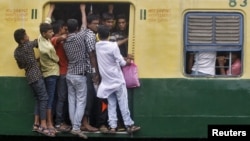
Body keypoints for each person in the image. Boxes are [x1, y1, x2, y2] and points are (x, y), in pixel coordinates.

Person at [95, 25, 140, 134]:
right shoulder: (113, 47)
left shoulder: (97, 45)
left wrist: (124, 41)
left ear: (99, 36)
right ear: (109, 35)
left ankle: (113, 127)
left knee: (111, 104)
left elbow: (112, 47)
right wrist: (128, 61)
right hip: (117, 80)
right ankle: (129, 125)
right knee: (123, 103)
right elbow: (122, 63)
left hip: (106, 82)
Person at [13, 28, 55, 137]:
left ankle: (36, 124)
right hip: (36, 75)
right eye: (26, 35)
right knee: (44, 98)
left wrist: (33, 61)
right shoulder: (27, 45)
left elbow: (21, 66)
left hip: (29, 77)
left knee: (38, 98)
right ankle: (43, 125)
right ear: (22, 40)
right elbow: (38, 41)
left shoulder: (16, 52)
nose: (28, 36)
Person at [63, 3, 88, 139]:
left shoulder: (65, 40)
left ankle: (74, 126)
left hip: (69, 74)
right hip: (79, 75)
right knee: (81, 101)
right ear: (76, 28)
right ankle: (77, 128)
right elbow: (85, 25)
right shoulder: (79, 37)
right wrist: (83, 10)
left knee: (71, 101)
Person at [38, 4, 59, 134]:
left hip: (45, 73)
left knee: (46, 98)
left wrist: (51, 9)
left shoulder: (40, 37)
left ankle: (46, 122)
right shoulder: (48, 47)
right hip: (52, 73)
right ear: (45, 33)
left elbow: (46, 20)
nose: (53, 33)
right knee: (50, 99)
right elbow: (56, 59)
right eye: (50, 32)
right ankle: (49, 123)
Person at [80, 14, 100, 132]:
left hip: (83, 70)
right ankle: (85, 123)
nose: (97, 26)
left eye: (98, 23)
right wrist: (95, 72)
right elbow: (92, 55)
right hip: (88, 70)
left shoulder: (84, 32)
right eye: (95, 23)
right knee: (89, 97)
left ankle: (84, 122)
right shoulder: (91, 35)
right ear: (89, 24)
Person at [51, 19, 71, 132]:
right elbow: (59, 38)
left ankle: (61, 121)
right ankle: (58, 123)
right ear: (59, 29)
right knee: (61, 98)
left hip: (65, 72)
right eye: (64, 28)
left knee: (62, 98)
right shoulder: (54, 39)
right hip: (62, 72)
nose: (66, 30)